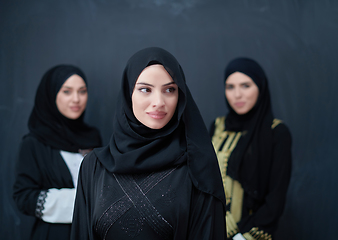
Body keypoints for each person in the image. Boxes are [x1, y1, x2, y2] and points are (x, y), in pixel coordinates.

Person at [70, 47, 226, 240]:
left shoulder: (197, 167)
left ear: (181, 97)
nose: (159, 101)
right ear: (129, 95)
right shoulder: (93, 166)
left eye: (170, 90)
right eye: (145, 89)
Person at [13, 65, 102, 240]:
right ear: (51, 94)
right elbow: (24, 197)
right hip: (54, 234)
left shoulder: (93, 138)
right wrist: (82, 202)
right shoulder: (34, 143)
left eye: (82, 91)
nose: (76, 99)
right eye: (67, 92)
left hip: (92, 233)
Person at [210, 58, 292, 240]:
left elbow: (276, 197)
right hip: (209, 229)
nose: (237, 95)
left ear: (260, 87)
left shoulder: (276, 133)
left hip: (248, 234)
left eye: (246, 85)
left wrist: (243, 237)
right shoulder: (218, 127)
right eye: (230, 87)